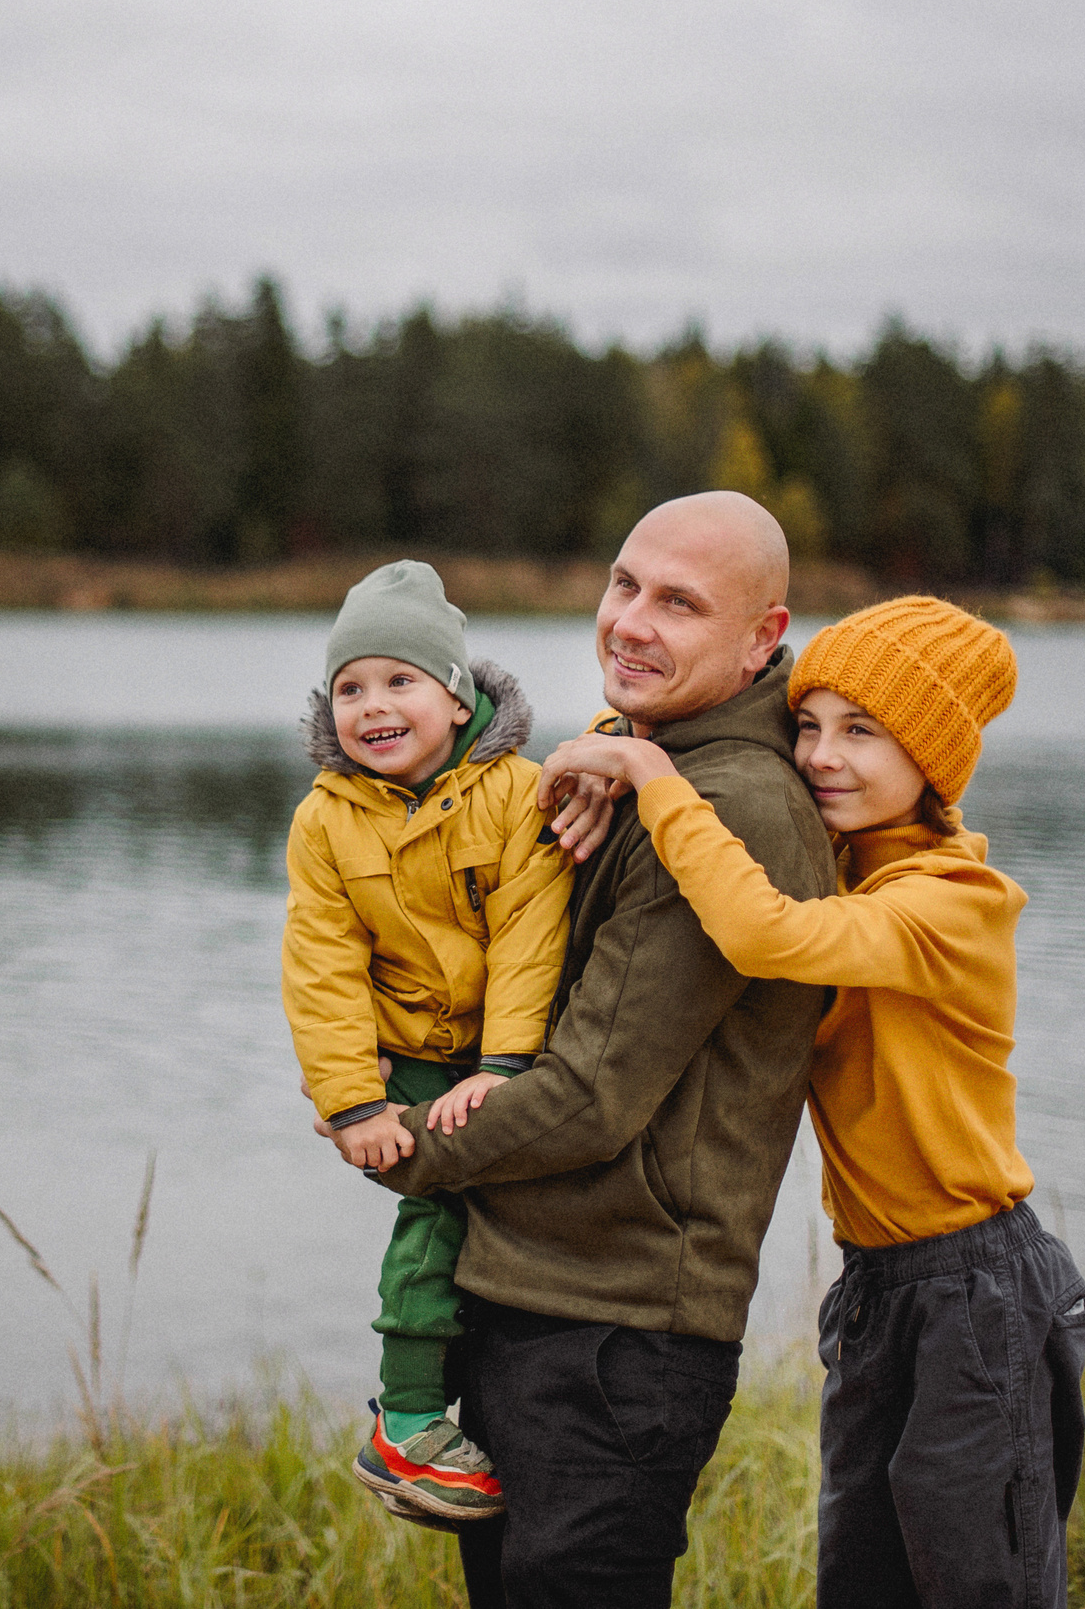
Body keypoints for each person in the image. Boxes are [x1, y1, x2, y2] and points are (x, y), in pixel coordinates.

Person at [538, 594, 1085, 1609]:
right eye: (807, 724)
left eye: (861, 731)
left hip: (975, 1287)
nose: (822, 755)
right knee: (864, 1581)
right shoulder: (845, 863)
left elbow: (767, 938)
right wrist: (613, 736)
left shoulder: (950, 904)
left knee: (981, 1588)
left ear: (933, 757)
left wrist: (654, 776)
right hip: (879, 1289)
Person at [335, 492, 837, 1609]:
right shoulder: (642, 763)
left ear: (763, 636)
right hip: (534, 1301)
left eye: (680, 602)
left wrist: (394, 1146)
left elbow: (589, 1096)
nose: (631, 622)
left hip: (617, 1336)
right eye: (623, 583)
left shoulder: (730, 807)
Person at [283, 559, 577, 1524]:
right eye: (351, 687)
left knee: (488, 1199)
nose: (373, 706)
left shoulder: (516, 794)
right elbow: (320, 963)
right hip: (402, 1055)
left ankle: (433, 1410)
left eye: (400, 680)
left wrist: (501, 1068)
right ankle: (406, 1417)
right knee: (440, 1201)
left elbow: (534, 934)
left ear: (457, 697)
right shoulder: (326, 819)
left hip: (494, 1047)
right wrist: (352, 1101)